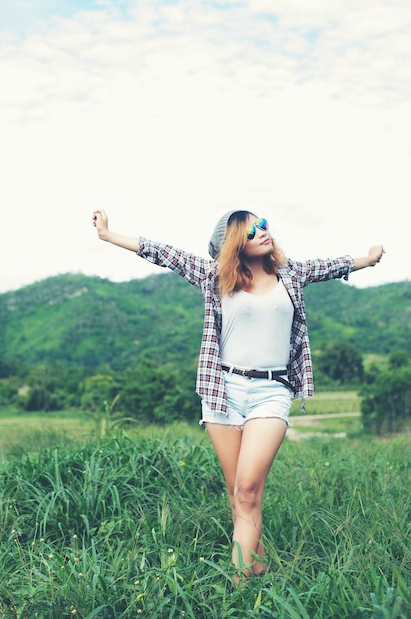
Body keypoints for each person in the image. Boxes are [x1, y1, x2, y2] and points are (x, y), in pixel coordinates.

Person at [92, 208, 384, 580]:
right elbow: (161, 252)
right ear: (235, 244)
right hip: (223, 392)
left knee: (247, 490)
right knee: (238, 496)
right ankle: (259, 574)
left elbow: (333, 264)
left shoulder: (291, 274)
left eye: (262, 225)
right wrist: (108, 235)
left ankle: (238, 590)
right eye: (251, 231)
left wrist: (369, 259)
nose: (263, 232)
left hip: (271, 391)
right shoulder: (216, 277)